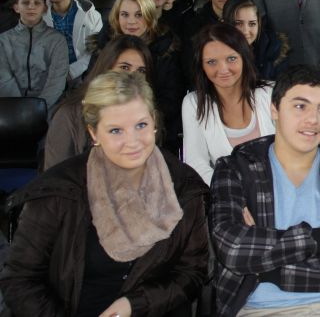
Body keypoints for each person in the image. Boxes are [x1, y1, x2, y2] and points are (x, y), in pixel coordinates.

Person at [0, 71, 209, 316]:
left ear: (154, 122)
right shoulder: (58, 192)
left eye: (141, 125)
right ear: (93, 133)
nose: (132, 141)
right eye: (115, 131)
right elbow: (20, 280)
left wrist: (135, 305)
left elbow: (192, 272)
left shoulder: (184, 187)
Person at [210, 65, 320, 317]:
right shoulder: (236, 169)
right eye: (300, 106)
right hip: (260, 308)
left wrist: (267, 270)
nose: (313, 120)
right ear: (274, 109)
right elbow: (233, 247)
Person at [182, 23, 275, 186]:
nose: (223, 69)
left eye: (231, 59)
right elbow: (196, 164)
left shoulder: (271, 93)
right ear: (201, 66)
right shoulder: (193, 103)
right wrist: (234, 194)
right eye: (211, 62)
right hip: (229, 200)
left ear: (244, 58)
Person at [44, 35, 154, 170]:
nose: (132, 76)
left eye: (141, 71)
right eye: (124, 67)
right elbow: (55, 178)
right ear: (106, 67)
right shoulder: (69, 114)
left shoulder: (147, 113)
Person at [95, 0, 183, 152]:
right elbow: (90, 86)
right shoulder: (104, 47)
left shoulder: (166, 51)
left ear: (149, 17)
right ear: (116, 16)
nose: (131, 22)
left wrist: (138, 116)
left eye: (139, 15)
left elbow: (171, 100)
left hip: (152, 128)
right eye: (125, 15)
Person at [0, 0, 68, 114]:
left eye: (37, 3)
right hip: (11, 106)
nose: (31, 7)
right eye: (25, 2)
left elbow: (56, 80)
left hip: (50, 107)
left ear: (44, 8)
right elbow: (3, 79)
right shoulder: (2, 41)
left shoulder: (57, 40)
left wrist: (40, 108)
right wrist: (21, 108)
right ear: (16, 7)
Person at [44, 0, 103, 83]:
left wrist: (72, 72)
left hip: (83, 75)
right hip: (47, 77)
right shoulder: (40, 13)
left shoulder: (91, 15)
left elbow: (96, 50)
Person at [222, 0, 288, 82]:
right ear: (224, 24)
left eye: (252, 24)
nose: (245, 31)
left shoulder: (274, 50)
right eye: (238, 23)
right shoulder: (211, 53)